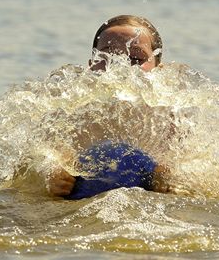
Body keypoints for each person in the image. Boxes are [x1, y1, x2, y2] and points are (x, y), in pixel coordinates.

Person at [47, 15, 171, 198]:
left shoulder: (172, 116)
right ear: (91, 66)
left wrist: (173, 179)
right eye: (107, 56)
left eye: (136, 58)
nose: (119, 66)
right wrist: (50, 176)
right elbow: (36, 159)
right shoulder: (70, 111)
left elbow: (201, 171)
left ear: (158, 69)